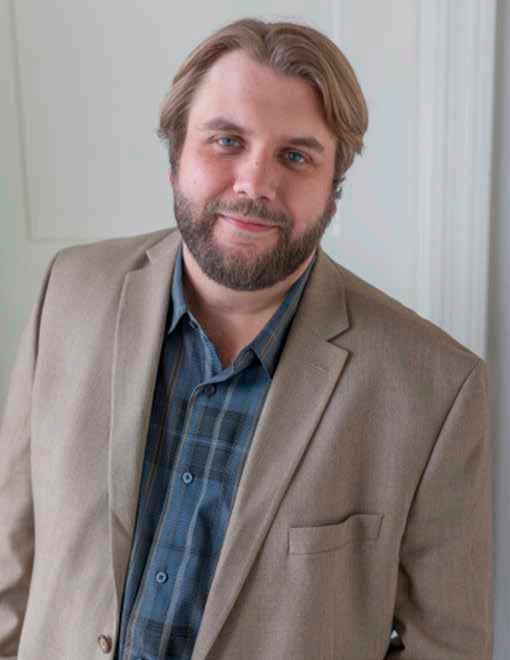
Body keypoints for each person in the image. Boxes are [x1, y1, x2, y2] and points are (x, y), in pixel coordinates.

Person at [0, 18, 491, 660]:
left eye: (296, 156)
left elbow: (446, 646)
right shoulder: (69, 291)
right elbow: (10, 560)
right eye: (227, 140)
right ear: (176, 156)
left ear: (335, 185)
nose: (255, 184)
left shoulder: (436, 388)